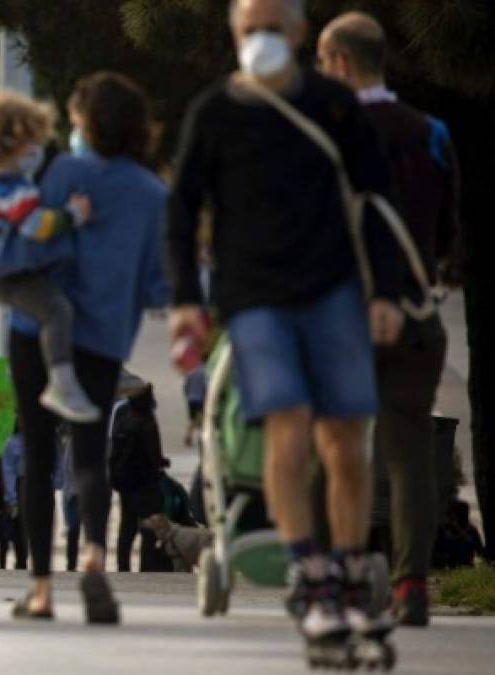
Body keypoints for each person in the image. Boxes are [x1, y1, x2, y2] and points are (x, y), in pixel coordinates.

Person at [165, 0, 404, 662]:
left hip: (332, 295)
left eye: (274, 30)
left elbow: (377, 200)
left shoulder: (333, 105)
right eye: (250, 31)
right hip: (254, 302)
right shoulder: (214, 112)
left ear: (300, 34)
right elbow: (181, 212)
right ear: (232, 35)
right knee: (288, 426)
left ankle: (350, 570)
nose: (262, 41)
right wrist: (187, 299)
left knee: (344, 437)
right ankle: (310, 572)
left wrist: (384, 292)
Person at [317, 11, 463, 628]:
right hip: (412, 315)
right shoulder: (432, 133)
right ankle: (411, 584)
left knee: (337, 444)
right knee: (407, 450)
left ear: (342, 64)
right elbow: (450, 234)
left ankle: (342, 576)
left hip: (344, 315)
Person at [10, 72, 168, 623]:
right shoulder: (153, 194)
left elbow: (37, 243)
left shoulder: (66, 171)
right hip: (103, 338)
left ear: (89, 123)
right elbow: (157, 286)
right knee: (89, 452)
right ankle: (96, 561)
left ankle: (41, 590)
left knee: (36, 453)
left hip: (37, 330)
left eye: (76, 121)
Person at [0, 90, 99, 423]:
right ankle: (62, 381)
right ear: (14, 145)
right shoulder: (17, 189)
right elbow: (37, 226)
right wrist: (72, 214)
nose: (36, 151)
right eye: (31, 143)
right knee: (58, 311)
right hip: (14, 273)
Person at [110, 384, 171, 573]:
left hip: (125, 483)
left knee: (126, 527)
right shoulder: (147, 423)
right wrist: (162, 464)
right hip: (145, 485)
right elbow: (154, 456)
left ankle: (123, 567)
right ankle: (146, 566)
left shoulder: (123, 421)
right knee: (149, 528)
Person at [0, 422, 28, 570]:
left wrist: (55, 483)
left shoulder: (48, 440)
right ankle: (21, 561)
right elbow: (8, 470)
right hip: (20, 484)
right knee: (18, 527)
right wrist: (11, 497)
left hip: (41, 484)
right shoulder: (13, 442)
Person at [56, 422, 81, 572]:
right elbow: (66, 467)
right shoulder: (70, 441)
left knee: (75, 529)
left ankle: (72, 563)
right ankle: (71, 564)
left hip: (77, 490)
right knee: (73, 529)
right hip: (71, 491)